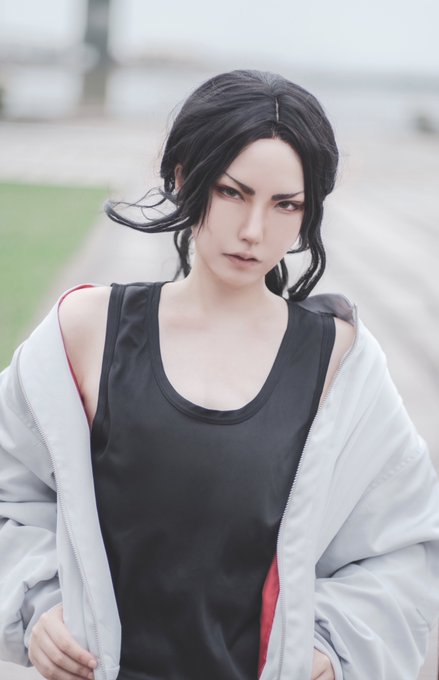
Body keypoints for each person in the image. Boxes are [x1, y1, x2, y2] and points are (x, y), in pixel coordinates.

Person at [0, 69, 439, 680]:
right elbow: (11, 496)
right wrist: (37, 601)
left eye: (286, 204)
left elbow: (402, 548)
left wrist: (330, 651)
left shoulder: (340, 364)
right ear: (185, 179)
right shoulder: (85, 331)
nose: (254, 231)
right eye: (233, 192)